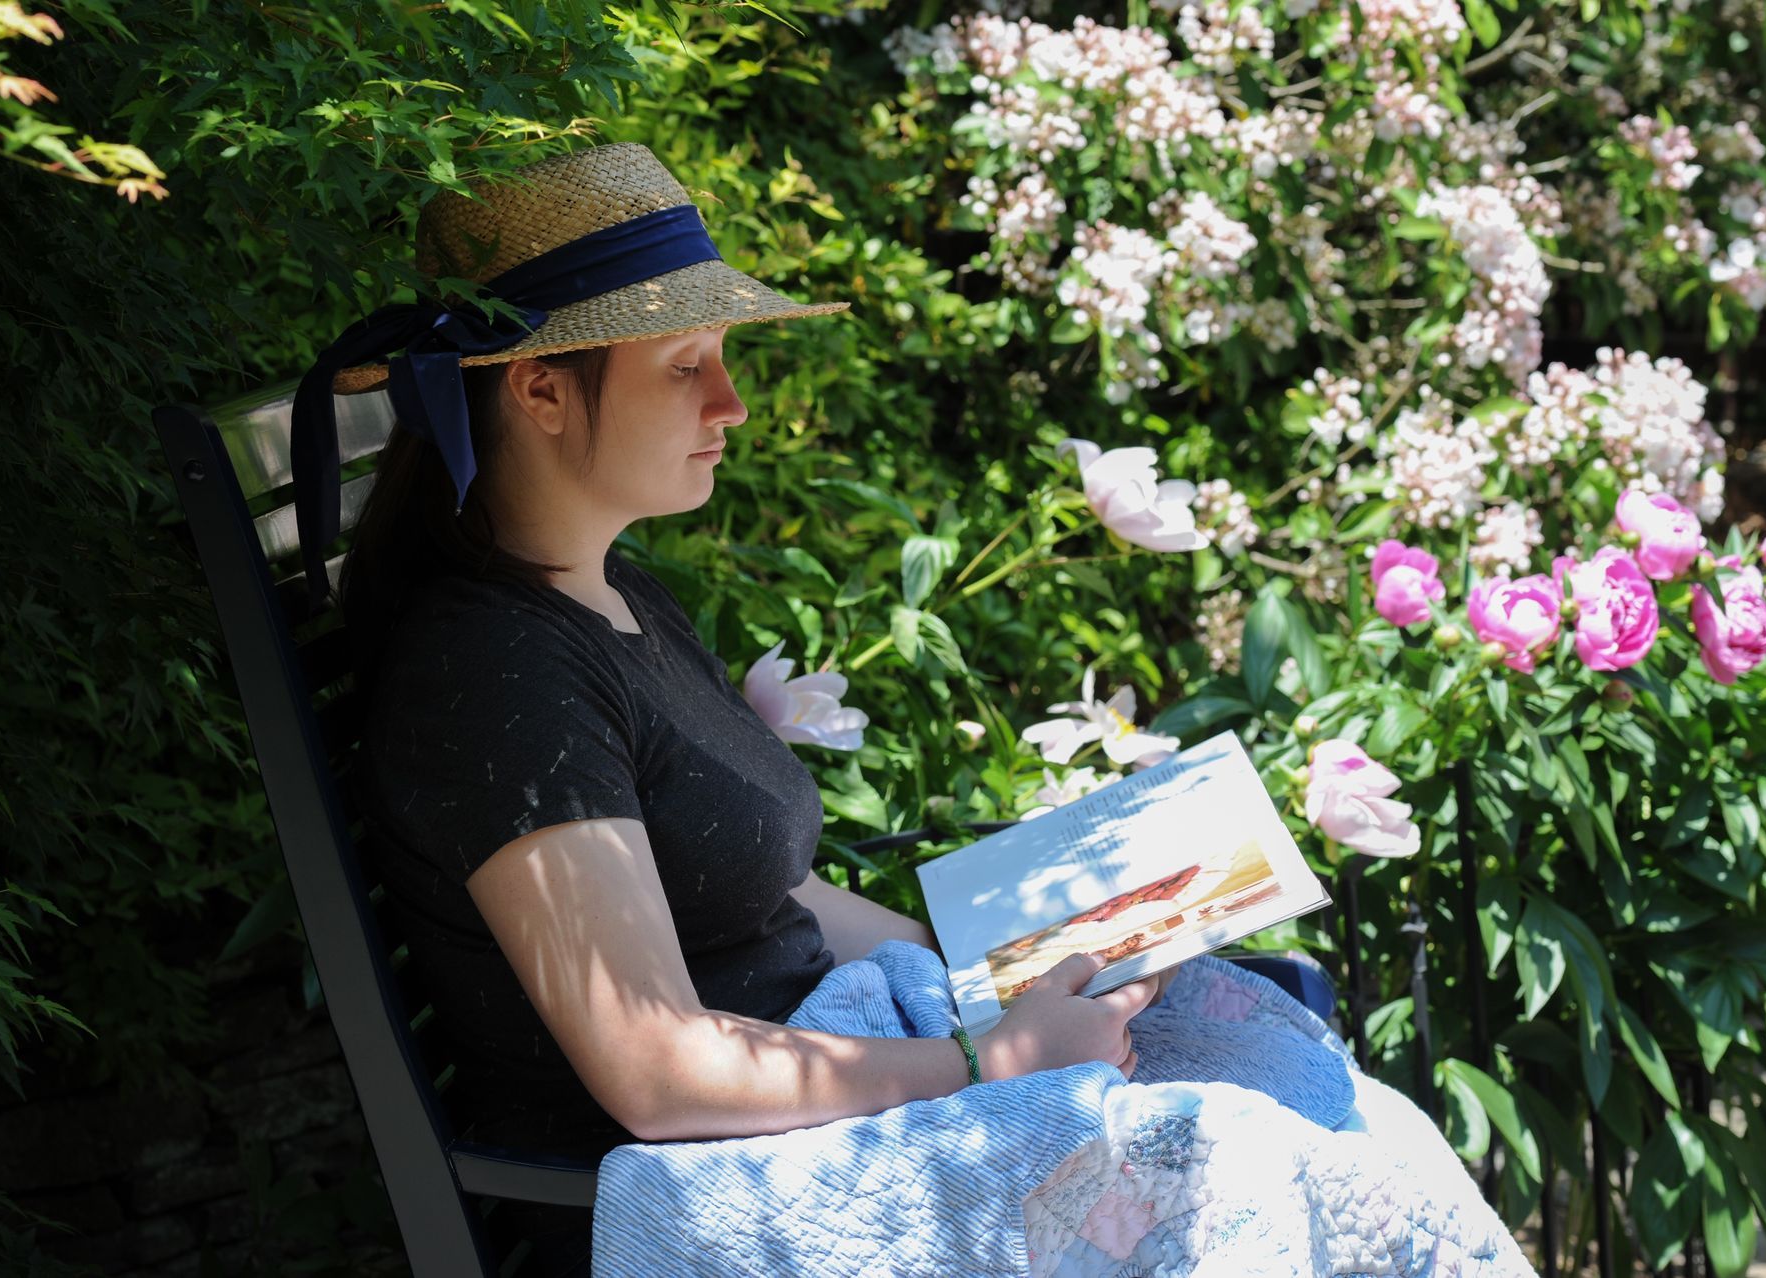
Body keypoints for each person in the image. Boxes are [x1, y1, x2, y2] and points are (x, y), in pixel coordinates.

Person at [299, 143, 1169, 1273]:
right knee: (1252, 1154)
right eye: (684, 366)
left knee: (1228, 1031)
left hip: (823, 1094)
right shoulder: (496, 678)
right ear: (543, 388)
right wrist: (995, 1061)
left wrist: (1012, 964)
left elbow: (775, 891)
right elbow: (657, 1072)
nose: (733, 403)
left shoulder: (614, 598)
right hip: (699, 1194)